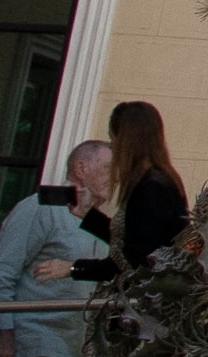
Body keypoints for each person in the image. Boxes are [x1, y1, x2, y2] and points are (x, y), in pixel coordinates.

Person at [0, 144, 110, 357]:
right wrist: (2, 334)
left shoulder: (98, 221)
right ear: (81, 168)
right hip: (36, 344)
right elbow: (1, 273)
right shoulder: (41, 207)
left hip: (74, 350)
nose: (114, 176)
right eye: (107, 168)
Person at [73, 103, 188, 273]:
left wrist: (73, 268)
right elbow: (133, 241)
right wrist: (89, 216)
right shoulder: (159, 182)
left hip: (147, 295)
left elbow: (134, 262)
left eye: (113, 140)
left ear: (125, 142)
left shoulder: (151, 189)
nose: (112, 148)